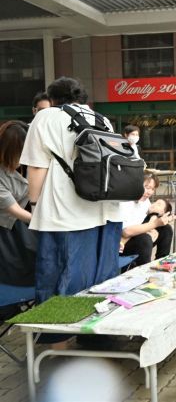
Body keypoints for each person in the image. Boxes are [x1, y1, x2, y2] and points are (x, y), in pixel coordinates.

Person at [20, 77, 122, 304]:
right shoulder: (101, 118)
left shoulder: (45, 116)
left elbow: (36, 166)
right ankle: (97, 336)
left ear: (52, 98)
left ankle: (59, 339)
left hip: (63, 213)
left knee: (58, 281)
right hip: (105, 212)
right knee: (100, 281)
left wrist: (35, 205)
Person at [0, 121, 37, 287]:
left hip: (18, 227)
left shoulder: (24, 167)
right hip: (6, 231)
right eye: (21, 153)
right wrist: (43, 222)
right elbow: (14, 210)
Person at [120, 173, 174, 267]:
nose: (149, 192)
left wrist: (154, 227)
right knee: (145, 239)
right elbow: (126, 232)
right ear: (136, 184)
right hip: (121, 244)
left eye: (152, 189)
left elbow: (148, 222)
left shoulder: (145, 201)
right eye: (146, 187)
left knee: (166, 229)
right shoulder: (126, 201)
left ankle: (162, 263)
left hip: (137, 236)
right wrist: (154, 225)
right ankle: (144, 271)